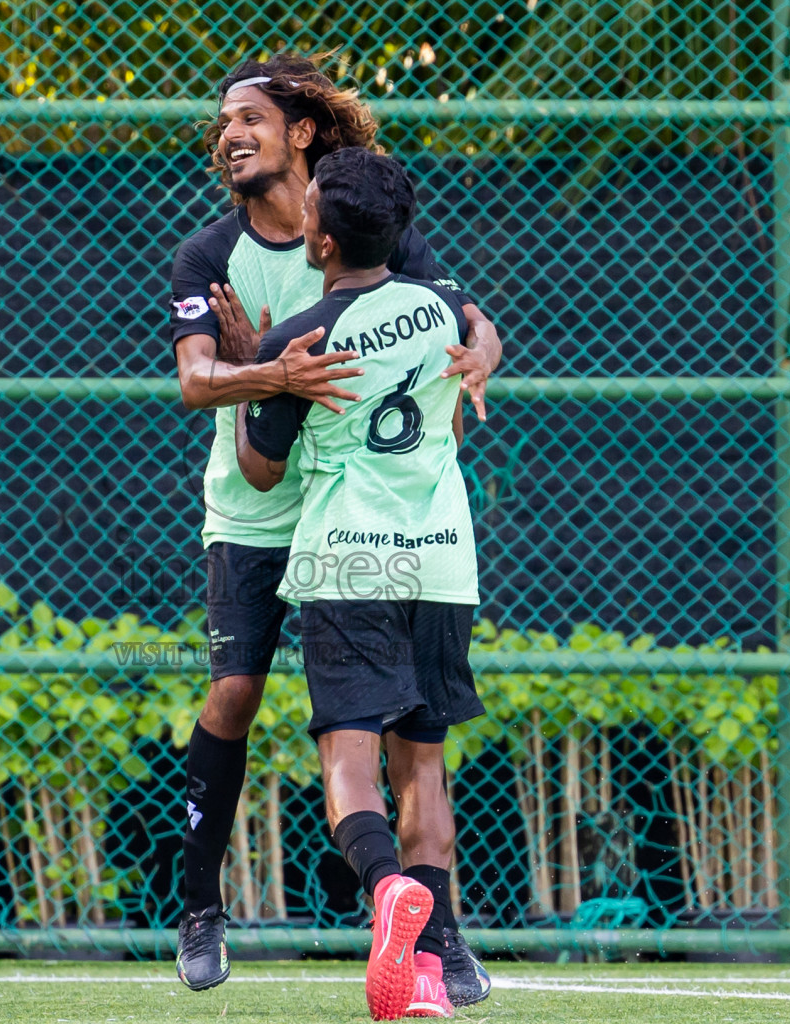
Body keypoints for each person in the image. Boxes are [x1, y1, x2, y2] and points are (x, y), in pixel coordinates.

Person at [168, 53, 500, 1002]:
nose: (228, 133)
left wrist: (479, 357)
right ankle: (201, 909)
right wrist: (266, 372)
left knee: (398, 745)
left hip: (344, 528)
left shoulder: (365, 231)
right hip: (256, 513)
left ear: (301, 134)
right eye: (221, 120)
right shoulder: (205, 254)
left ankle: (439, 937)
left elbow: (472, 325)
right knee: (231, 694)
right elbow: (197, 382)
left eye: (246, 117)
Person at [237, 147, 484, 1020]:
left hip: (349, 556)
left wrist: (253, 375)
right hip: (444, 557)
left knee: (348, 757)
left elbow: (261, 472)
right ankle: (425, 980)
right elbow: (478, 336)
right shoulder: (444, 310)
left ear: (324, 236)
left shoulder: (298, 335)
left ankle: (385, 890)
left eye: (308, 212)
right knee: (423, 766)